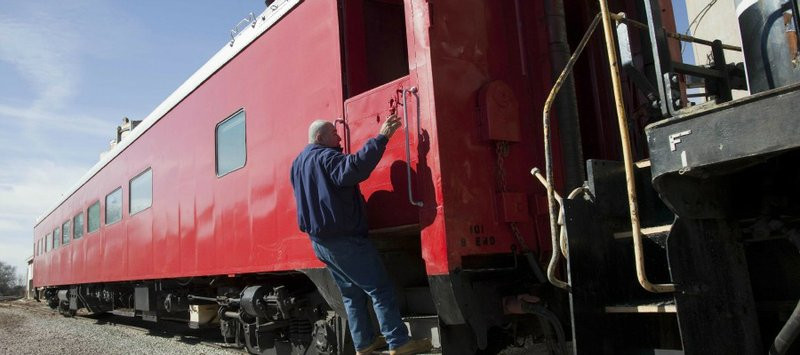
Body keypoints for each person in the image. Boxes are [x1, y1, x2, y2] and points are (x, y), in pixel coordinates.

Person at [290, 115, 432, 355]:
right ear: (319, 138)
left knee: (351, 294)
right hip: (345, 239)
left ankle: (364, 344)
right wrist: (381, 137)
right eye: (333, 134)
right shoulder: (326, 157)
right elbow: (353, 168)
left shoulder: (298, 164)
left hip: (320, 242)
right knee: (380, 288)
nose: (338, 137)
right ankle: (398, 341)